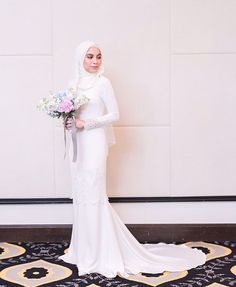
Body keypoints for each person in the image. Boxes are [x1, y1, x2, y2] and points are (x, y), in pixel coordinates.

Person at [58, 40, 206, 278]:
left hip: (94, 142)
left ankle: (99, 254)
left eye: (98, 56)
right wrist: (67, 122)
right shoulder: (72, 84)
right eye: (90, 56)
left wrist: (87, 123)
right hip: (78, 145)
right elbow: (70, 114)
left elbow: (114, 114)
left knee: (94, 193)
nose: (95, 61)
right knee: (81, 192)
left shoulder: (103, 83)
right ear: (80, 59)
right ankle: (82, 250)